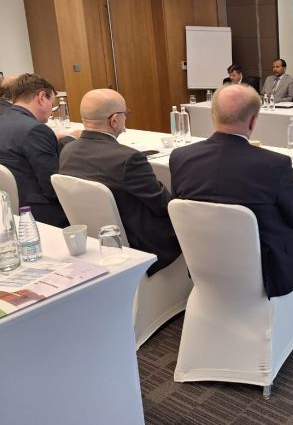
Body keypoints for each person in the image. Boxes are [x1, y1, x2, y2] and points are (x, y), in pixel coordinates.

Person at [169, 84, 293, 298]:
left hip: (204, 265)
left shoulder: (180, 157)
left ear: (212, 115)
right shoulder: (275, 164)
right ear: (253, 121)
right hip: (266, 273)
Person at [59, 89, 181, 275]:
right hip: (141, 244)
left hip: (93, 240)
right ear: (114, 120)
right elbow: (164, 205)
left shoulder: (68, 151)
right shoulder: (128, 158)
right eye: (126, 113)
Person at [0, 73, 76, 226]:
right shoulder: (36, 130)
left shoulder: (4, 120)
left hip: (10, 207)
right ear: (41, 97)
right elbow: (52, 186)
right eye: (52, 103)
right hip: (41, 214)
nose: (52, 110)